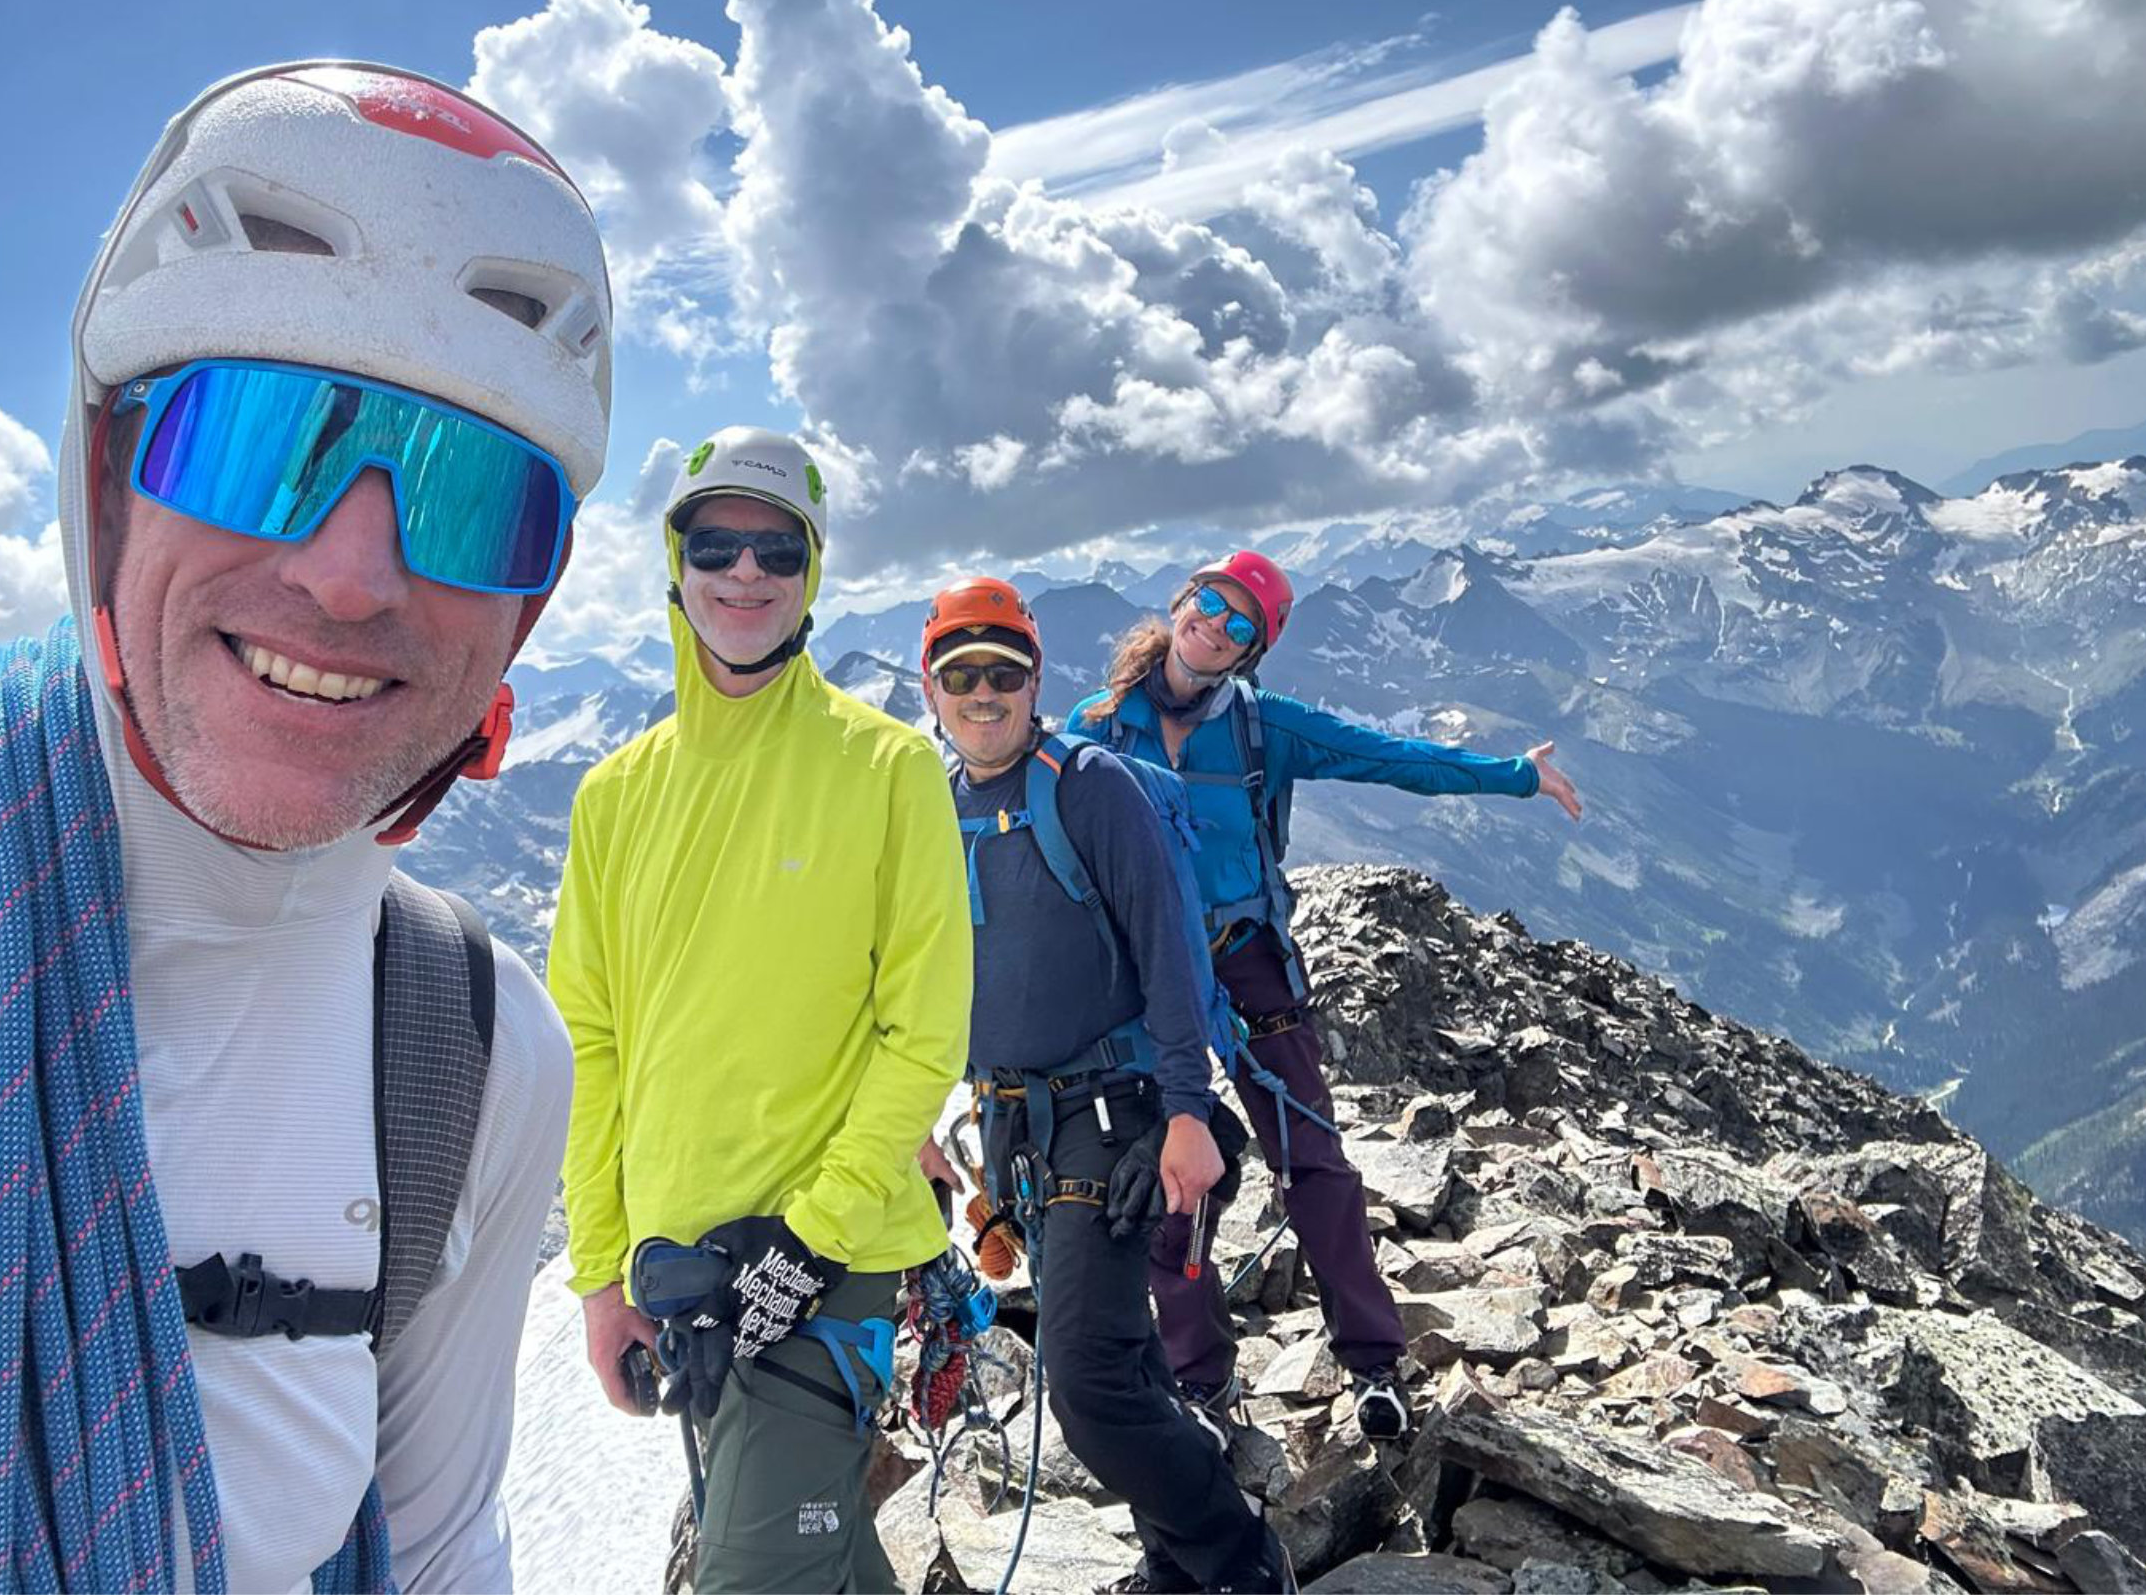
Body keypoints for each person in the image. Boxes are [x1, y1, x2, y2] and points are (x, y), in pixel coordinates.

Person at [0, 62, 607, 1592]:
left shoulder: (469, 1054)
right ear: (103, 479)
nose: (353, 572)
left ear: (525, 608)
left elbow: (438, 1557)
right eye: (257, 437)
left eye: (471, 492)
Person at [548, 427, 971, 1595]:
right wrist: (601, 1277)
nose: (745, 573)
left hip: (825, 1263)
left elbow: (923, 1029)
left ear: (812, 573)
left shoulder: (886, 769)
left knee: (751, 1574)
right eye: (716, 543)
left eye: (776, 548)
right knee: (816, 1553)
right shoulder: (613, 797)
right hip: (680, 1276)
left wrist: (810, 1239)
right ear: (673, 563)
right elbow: (591, 1046)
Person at [1067, 551, 1583, 1443]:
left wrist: (1514, 774)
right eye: (1213, 605)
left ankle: (1374, 1363)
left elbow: (1390, 758)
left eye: (1242, 626)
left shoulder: (1268, 728)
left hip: (1247, 959)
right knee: (1170, 1175)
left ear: (1251, 653)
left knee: (1313, 1162)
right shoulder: (1098, 727)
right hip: (1150, 976)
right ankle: (1200, 1379)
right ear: (1185, 599)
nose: (1219, 627)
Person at [915, 578, 1293, 1594]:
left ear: (1037, 678)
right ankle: (1182, 1555)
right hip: (1013, 1125)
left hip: (1111, 1115)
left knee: (1083, 1381)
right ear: (933, 687)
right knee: (1117, 1361)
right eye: (963, 674)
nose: (984, 692)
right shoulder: (930, 804)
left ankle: (1239, 1558)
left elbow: (1170, 949)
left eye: (1005, 671)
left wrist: (1184, 1107)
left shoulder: (1087, 784)